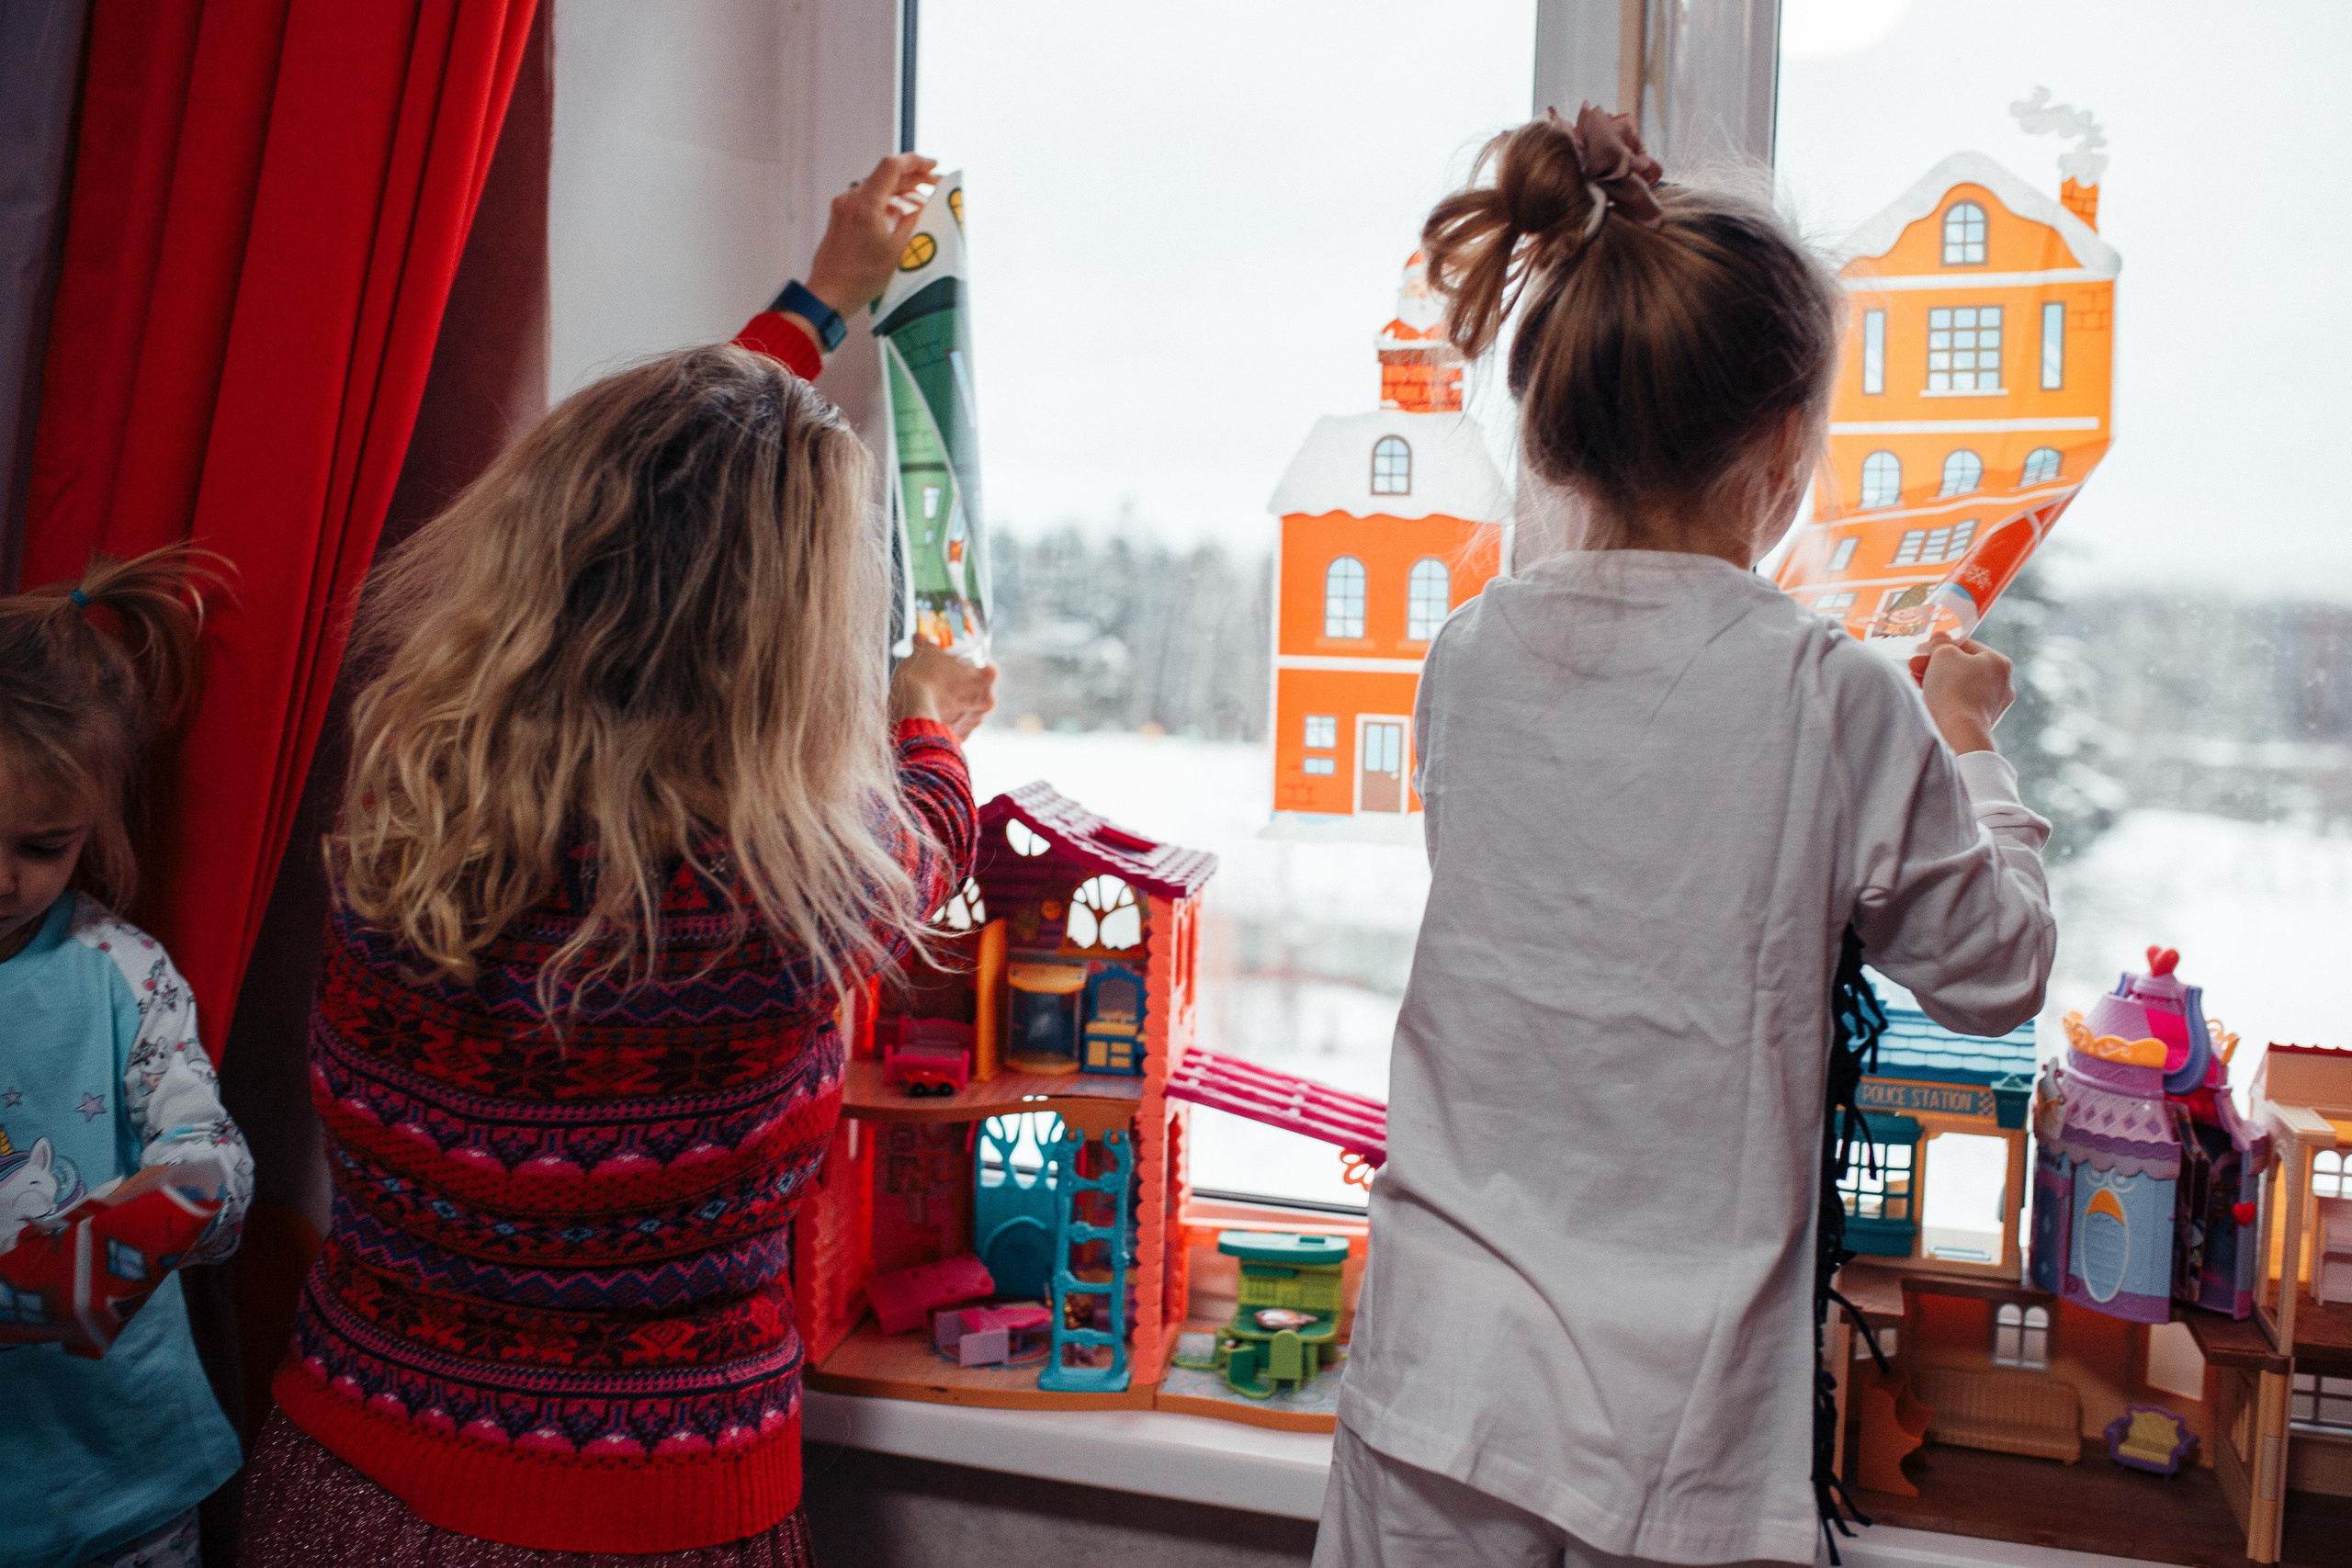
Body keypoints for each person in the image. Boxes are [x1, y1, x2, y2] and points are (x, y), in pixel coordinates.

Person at [1315, 107, 2055, 1568]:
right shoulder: (1826, 691)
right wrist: (1966, 742)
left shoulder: (1466, 655)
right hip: (1670, 1426)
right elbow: (1998, 969)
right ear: (1786, 445)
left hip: (1433, 1376)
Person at [235, 152, 998, 1564]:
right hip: (646, 1519)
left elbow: (656, 493)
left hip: (336, 1475)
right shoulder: (788, 890)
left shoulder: (416, 787)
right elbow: (928, 832)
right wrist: (932, 727)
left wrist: (811, 307)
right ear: (780, 646)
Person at [0, 547, 255, 1568]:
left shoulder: (123, 972)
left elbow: (218, 1169)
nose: (2, 878)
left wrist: (155, 1213)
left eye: (43, 843)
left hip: (122, 1487)